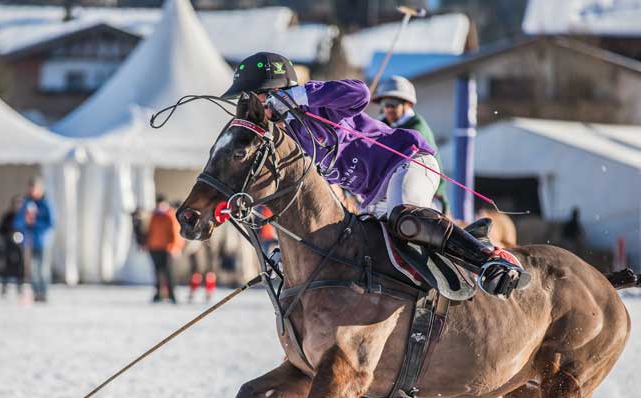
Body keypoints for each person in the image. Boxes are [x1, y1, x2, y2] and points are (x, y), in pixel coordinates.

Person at [221, 52, 528, 298]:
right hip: (372, 195)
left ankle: (490, 258)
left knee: (403, 217)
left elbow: (360, 94)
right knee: (357, 247)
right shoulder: (288, 136)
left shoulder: (317, 105)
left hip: (407, 162)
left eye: (253, 97)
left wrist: (302, 95)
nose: (250, 105)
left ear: (273, 90)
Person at [372, 75, 448, 215]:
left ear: (407, 104)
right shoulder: (381, 125)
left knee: (395, 215)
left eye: (393, 104)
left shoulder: (417, 128)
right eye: (384, 104)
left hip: (428, 194)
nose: (388, 109)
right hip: (393, 190)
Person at [14, 176, 54, 303]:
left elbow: (51, 223)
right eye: (30, 188)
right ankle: (36, 292)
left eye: (34, 188)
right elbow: (18, 221)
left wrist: (35, 224)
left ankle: (44, 292)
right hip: (30, 241)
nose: (32, 191)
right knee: (32, 269)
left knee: (43, 269)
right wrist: (25, 224)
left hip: (43, 241)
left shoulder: (46, 203)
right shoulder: (27, 203)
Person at [145, 195, 183, 303]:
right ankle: (158, 294)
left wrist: (175, 247)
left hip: (167, 249)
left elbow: (175, 233)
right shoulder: (155, 216)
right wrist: (147, 244)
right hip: (154, 247)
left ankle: (172, 294)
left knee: (169, 273)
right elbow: (150, 231)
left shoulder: (170, 215)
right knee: (157, 272)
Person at [0, 196, 25, 297]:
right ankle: (4, 287)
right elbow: (0, 230)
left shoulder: (25, 217)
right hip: (9, 245)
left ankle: (20, 287)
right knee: (7, 267)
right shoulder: (8, 216)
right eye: (17, 204)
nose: (18, 206)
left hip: (21, 247)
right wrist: (9, 234)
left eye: (20, 204)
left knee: (20, 267)